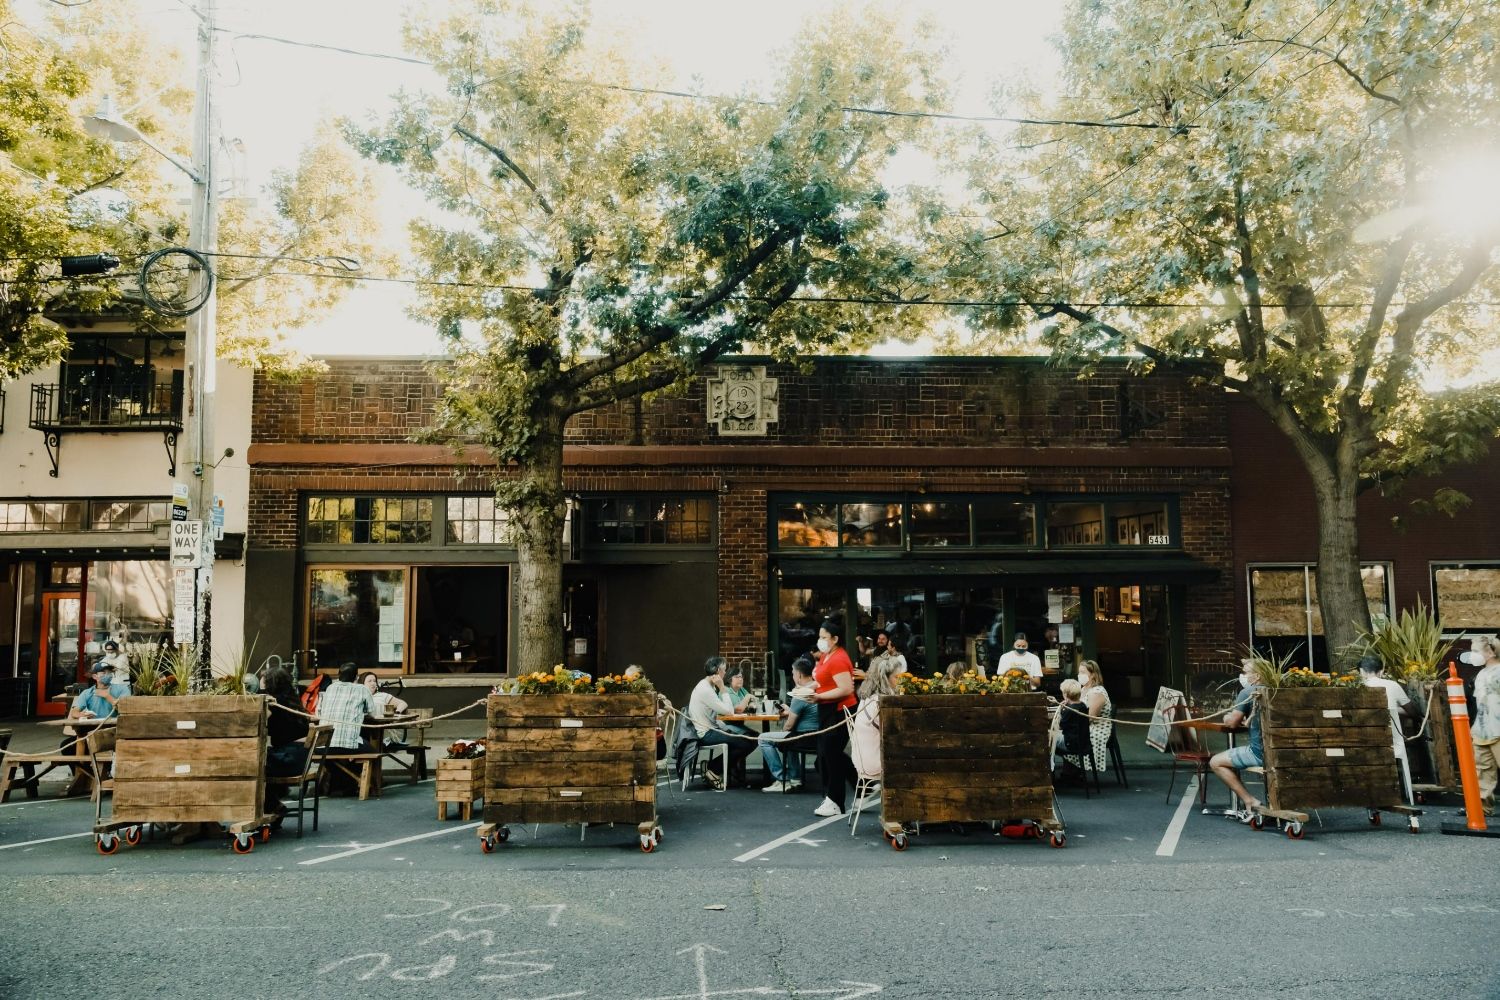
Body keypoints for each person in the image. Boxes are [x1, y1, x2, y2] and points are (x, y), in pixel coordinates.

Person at [808, 619, 858, 817]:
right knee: (829, 754)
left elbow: (846, 688)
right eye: (819, 637)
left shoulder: (838, 659)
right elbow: (822, 680)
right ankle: (857, 787)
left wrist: (819, 696)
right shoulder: (826, 656)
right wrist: (807, 689)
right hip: (827, 709)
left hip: (840, 710)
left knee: (832, 755)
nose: (820, 641)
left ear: (835, 639)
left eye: (824, 637)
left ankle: (835, 800)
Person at [1210, 658, 1266, 821]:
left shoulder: (1248, 692)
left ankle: (1249, 801)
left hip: (1259, 753)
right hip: (1282, 751)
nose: (1243, 676)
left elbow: (1232, 723)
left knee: (1215, 762)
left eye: (1246, 672)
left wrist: (1228, 716)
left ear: (1256, 676)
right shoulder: (1277, 689)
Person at [686, 657, 752, 790]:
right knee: (746, 742)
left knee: (747, 738)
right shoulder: (706, 690)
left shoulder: (706, 685)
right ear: (718, 671)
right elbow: (729, 711)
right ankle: (713, 768)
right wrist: (722, 688)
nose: (725, 673)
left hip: (710, 728)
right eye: (724, 670)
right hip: (706, 733)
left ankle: (718, 768)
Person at [760, 657, 821, 792]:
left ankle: (782, 779)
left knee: (763, 739)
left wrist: (783, 728)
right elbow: (804, 712)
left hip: (804, 738)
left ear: (799, 675)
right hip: (817, 735)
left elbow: (788, 726)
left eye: (793, 673)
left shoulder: (800, 694)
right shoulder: (817, 687)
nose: (793, 676)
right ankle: (795, 779)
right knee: (789, 736)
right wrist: (791, 711)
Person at [850, 655, 906, 785]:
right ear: (885, 679)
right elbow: (896, 733)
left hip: (861, 758)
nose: (900, 681)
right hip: (874, 762)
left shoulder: (869, 697)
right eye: (897, 677)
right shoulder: (879, 703)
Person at [263, 666, 308, 822]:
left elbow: (259, 723)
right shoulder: (293, 700)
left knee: (252, 766)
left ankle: (273, 806)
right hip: (300, 757)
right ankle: (273, 806)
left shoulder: (274, 704)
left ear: (270, 683)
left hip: (288, 759)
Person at [1357, 656, 1418, 766]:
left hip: (1363, 739)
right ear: (1381, 671)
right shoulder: (1392, 685)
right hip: (1391, 739)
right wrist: (1393, 710)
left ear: (1361, 672)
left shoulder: (1356, 688)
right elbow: (1412, 712)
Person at [1468, 635, 1500, 815]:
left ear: (1489, 652)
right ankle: (1482, 808)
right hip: (1482, 729)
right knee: (1483, 771)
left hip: (1497, 728)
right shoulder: (1481, 674)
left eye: (1475, 651)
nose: (1472, 655)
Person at [317, 662, 379, 753]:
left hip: (322, 745)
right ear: (356, 677)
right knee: (374, 753)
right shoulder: (362, 689)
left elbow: (320, 711)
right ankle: (353, 767)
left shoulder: (330, 688)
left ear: (339, 675)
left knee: (332, 756)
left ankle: (340, 767)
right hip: (349, 745)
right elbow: (373, 714)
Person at [361, 671, 409, 748]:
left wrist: (396, 713)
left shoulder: (382, 696)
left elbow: (403, 703)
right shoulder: (358, 697)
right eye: (369, 681)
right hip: (364, 730)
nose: (373, 683)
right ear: (362, 684)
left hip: (381, 731)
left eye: (374, 681)